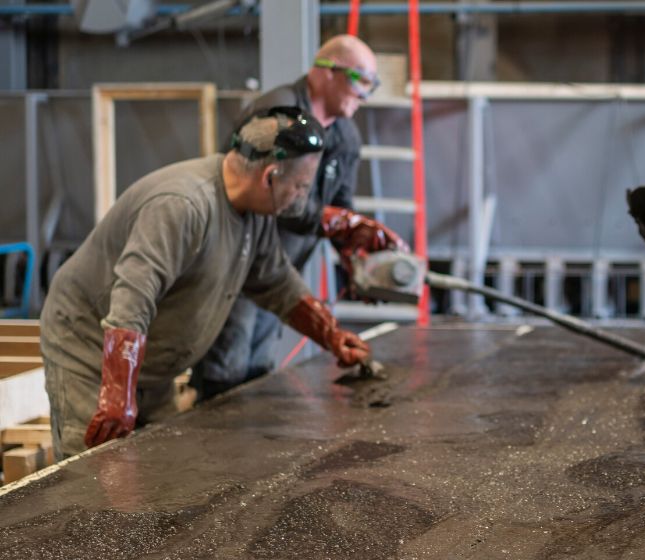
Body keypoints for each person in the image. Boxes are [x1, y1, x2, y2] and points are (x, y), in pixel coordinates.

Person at [40, 107, 372, 459]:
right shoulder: (182, 206)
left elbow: (277, 282)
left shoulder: (254, 213)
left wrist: (332, 336)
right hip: (91, 356)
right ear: (270, 177)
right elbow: (131, 302)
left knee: (161, 470)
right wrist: (117, 394)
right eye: (302, 186)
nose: (302, 199)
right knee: (96, 479)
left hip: (149, 367)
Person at [192, 34, 405, 401]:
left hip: (283, 267)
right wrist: (339, 223)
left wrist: (354, 256)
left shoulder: (346, 136)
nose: (364, 94)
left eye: (372, 84)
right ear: (324, 73)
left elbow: (341, 203)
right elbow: (268, 195)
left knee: (258, 366)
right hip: (241, 263)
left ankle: (246, 449)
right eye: (360, 80)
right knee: (226, 367)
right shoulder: (277, 115)